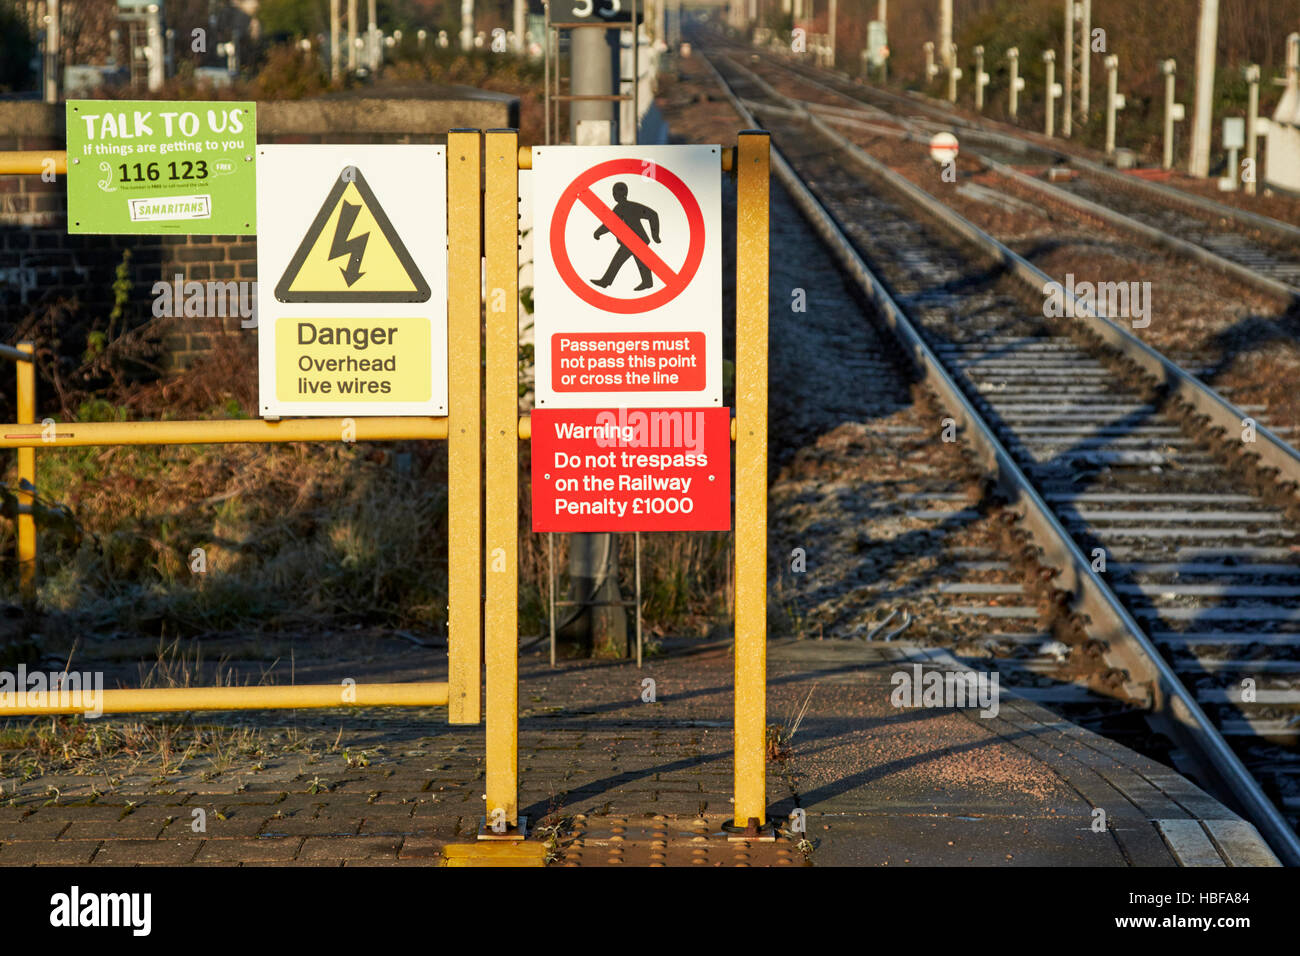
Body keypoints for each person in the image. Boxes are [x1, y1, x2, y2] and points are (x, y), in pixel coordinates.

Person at [591, 181, 661, 292]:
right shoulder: (631, 206)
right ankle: (647, 282)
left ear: (615, 194)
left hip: (633, 241)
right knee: (641, 261)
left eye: (614, 193)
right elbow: (653, 215)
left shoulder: (621, 208)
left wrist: (598, 233)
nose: (613, 195)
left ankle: (606, 281)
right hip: (634, 241)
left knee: (617, 260)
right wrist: (655, 235)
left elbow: (609, 225)